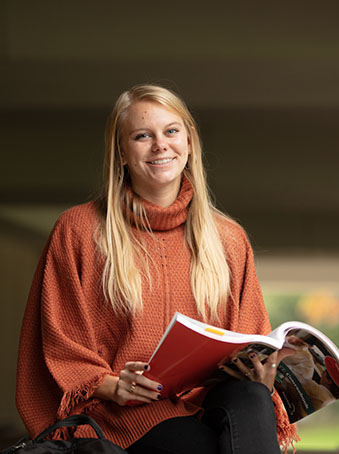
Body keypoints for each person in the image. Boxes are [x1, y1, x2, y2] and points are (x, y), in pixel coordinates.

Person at [16, 84, 298, 453]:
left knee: (249, 395)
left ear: (190, 142)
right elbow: (60, 346)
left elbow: (249, 336)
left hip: (207, 406)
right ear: (121, 151)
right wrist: (113, 384)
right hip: (121, 417)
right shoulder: (79, 230)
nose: (160, 145)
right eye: (142, 135)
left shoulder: (229, 238)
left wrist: (262, 371)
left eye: (171, 131)